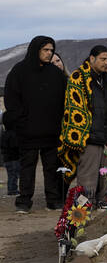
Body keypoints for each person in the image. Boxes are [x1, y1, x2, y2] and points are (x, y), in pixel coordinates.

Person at [3, 36, 66, 213]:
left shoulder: (55, 74)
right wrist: (21, 121)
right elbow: (11, 99)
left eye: (51, 50)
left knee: (51, 167)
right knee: (27, 168)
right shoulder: (19, 71)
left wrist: (58, 122)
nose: (49, 53)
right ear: (35, 49)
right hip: (28, 131)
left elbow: (64, 99)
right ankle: (24, 202)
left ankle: (53, 200)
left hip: (51, 130)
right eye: (45, 50)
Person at [59, 46, 107, 199]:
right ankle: (83, 207)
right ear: (92, 59)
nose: (106, 63)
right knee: (88, 177)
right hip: (90, 137)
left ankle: (106, 203)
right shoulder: (79, 77)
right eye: (103, 59)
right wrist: (86, 132)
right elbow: (74, 107)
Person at [1, 112, 18, 196]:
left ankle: (11, 189)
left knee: (10, 174)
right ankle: (12, 190)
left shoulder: (4, 133)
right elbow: (14, 146)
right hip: (13, 157)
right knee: (14, 175)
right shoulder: (13, 134)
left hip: (6, 157)